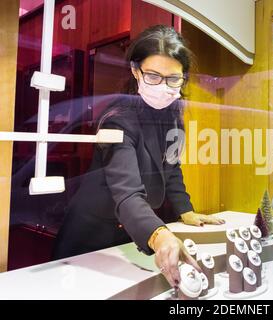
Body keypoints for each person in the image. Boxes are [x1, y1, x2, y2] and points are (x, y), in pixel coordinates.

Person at [53, 25, 225, 289]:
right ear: (136, 71)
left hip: (129, 234)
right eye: (153, 76)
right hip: (90, 237)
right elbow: (127, 193)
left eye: (173, 79)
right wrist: (159, 236)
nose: (163, 87)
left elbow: (171, 166)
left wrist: (186, 211)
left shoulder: (172, 115)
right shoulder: (118, 120)